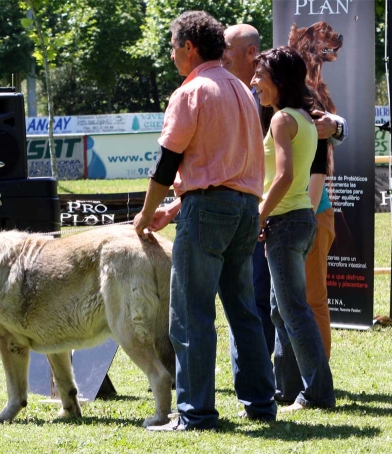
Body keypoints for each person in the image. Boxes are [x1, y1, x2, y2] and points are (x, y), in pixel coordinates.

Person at [133, 11, 276, 431]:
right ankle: (261, 404)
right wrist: (175, 208)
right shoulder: (243, 91)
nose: (173, 55)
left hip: (208, 212)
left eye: (174, 47)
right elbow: (230, 169)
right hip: (246, 211)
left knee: (191, 313)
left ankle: (195, 413)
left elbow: (167, 163)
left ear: (189, 47)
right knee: (243, 311)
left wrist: (145, 214)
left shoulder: (190, 92)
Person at [222, 24, 347, 358]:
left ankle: (315, 378)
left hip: (292, 212)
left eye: (227, 51)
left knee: (302, 303)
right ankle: (281, 376)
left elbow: (319, 146)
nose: (222, 58)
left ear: (251, 55)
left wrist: (336, 125)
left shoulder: (293, 106)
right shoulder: (241, 95)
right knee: (272, 301)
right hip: (268, 213)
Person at [251, 46, 335, 411]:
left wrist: (259, 215)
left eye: (260, 76)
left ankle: (317, 393)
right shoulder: (303, 117)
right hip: (300, 220)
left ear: (279, 80)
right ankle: (285, 390)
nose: (254, 83)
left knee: (294, 311)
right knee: (280, 310)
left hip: (285, 222)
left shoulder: (282, 120)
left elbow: (283, 176)